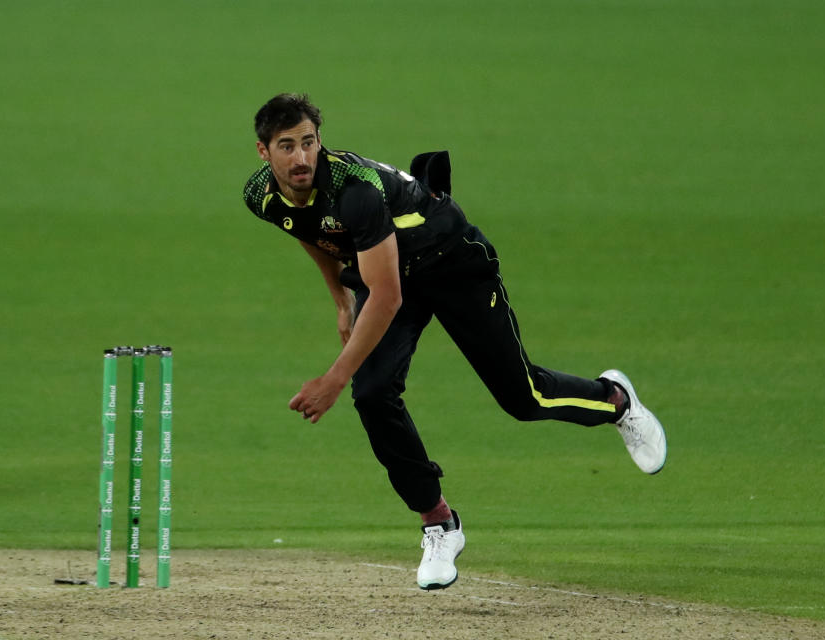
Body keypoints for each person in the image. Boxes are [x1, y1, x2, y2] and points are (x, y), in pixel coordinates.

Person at [243, 93, 667, 591]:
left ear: (320, 141)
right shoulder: (262, 196)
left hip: (449, 262)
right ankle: (438, 522)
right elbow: (307, 228)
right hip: (387, 268)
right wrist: (338, 295)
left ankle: (615, 401)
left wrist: (334, 378)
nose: (301, 158)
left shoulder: (353, 191)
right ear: (263, 152)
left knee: (523, 398)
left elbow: (386, 297)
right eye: (287, 146)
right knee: (374, 394)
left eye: (309, 143)